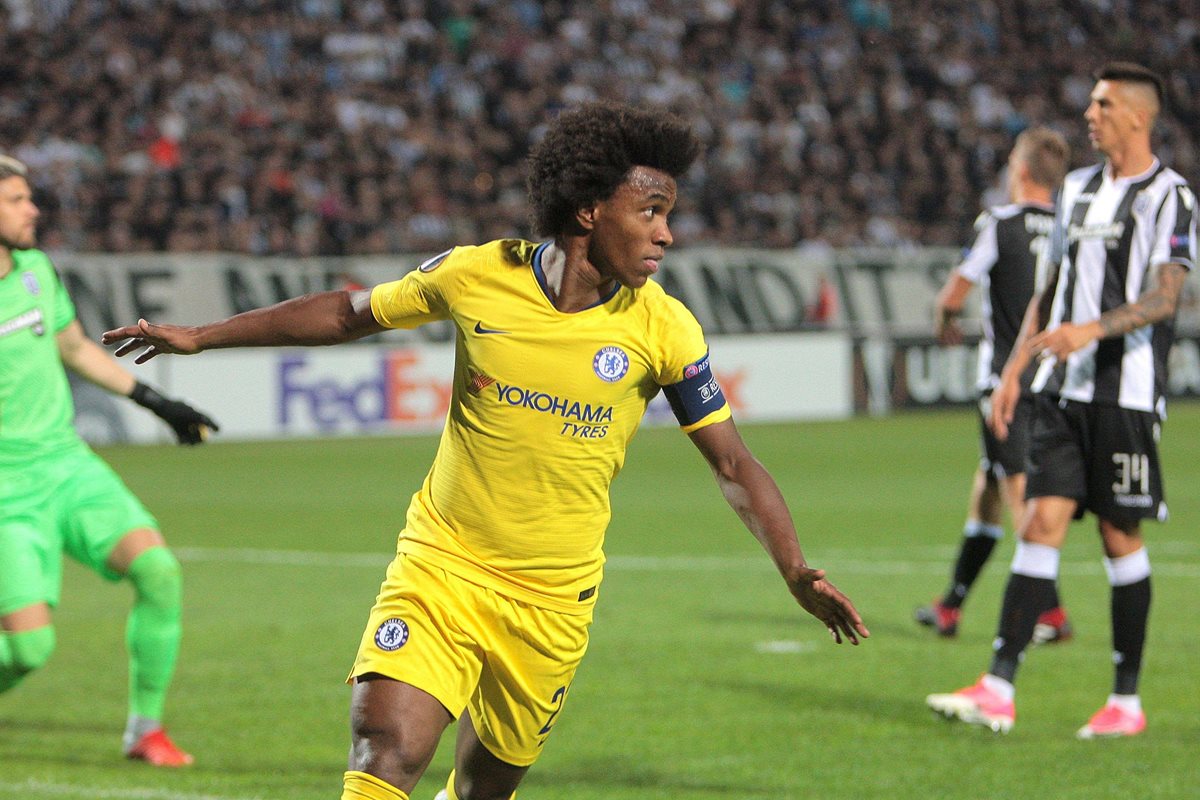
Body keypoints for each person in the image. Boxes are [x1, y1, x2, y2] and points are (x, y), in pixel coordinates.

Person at [102, 102, 870, 800]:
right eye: (652, 211)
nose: (667, 233)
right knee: (386, 748)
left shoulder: (664, 328)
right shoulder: (477, 275)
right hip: (443, 564)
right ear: (589, 210)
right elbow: (346, 314)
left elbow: (733, 464)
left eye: (669, 214)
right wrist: (201, 336)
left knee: (480, 792)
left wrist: (795, 568)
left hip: (551, 600)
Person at [926, 63, 1197, 737]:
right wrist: (1016, 369)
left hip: (1124, 398)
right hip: (1056, 393)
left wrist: (1092, 330)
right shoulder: (1074, 190)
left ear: (1137, 116)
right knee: (1040, 524)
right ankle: (997, 689)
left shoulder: (1171, 197)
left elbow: (1168, 297)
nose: (1090, 115)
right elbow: (1046, 294)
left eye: (1103, 105)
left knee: (1118, 536)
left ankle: (1125, 704)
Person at [0, 155, 219, 765]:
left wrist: (159, 402)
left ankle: (144, 729)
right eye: (16, 199)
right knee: (28, 651)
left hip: (69, 467)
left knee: (159, 573)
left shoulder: (37, 271)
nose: (32, 209)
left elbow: (71, 346)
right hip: (5, 492)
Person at [915, 127, 1074, 642]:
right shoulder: (1071, 228)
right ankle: (951, 606)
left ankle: (1050, 614)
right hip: (1055, 380)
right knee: (988, 487)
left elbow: (954, 294)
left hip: (1006, 382)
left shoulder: (1000, 223)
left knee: (1017, 494)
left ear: (1022, 171)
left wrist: (943, 322)